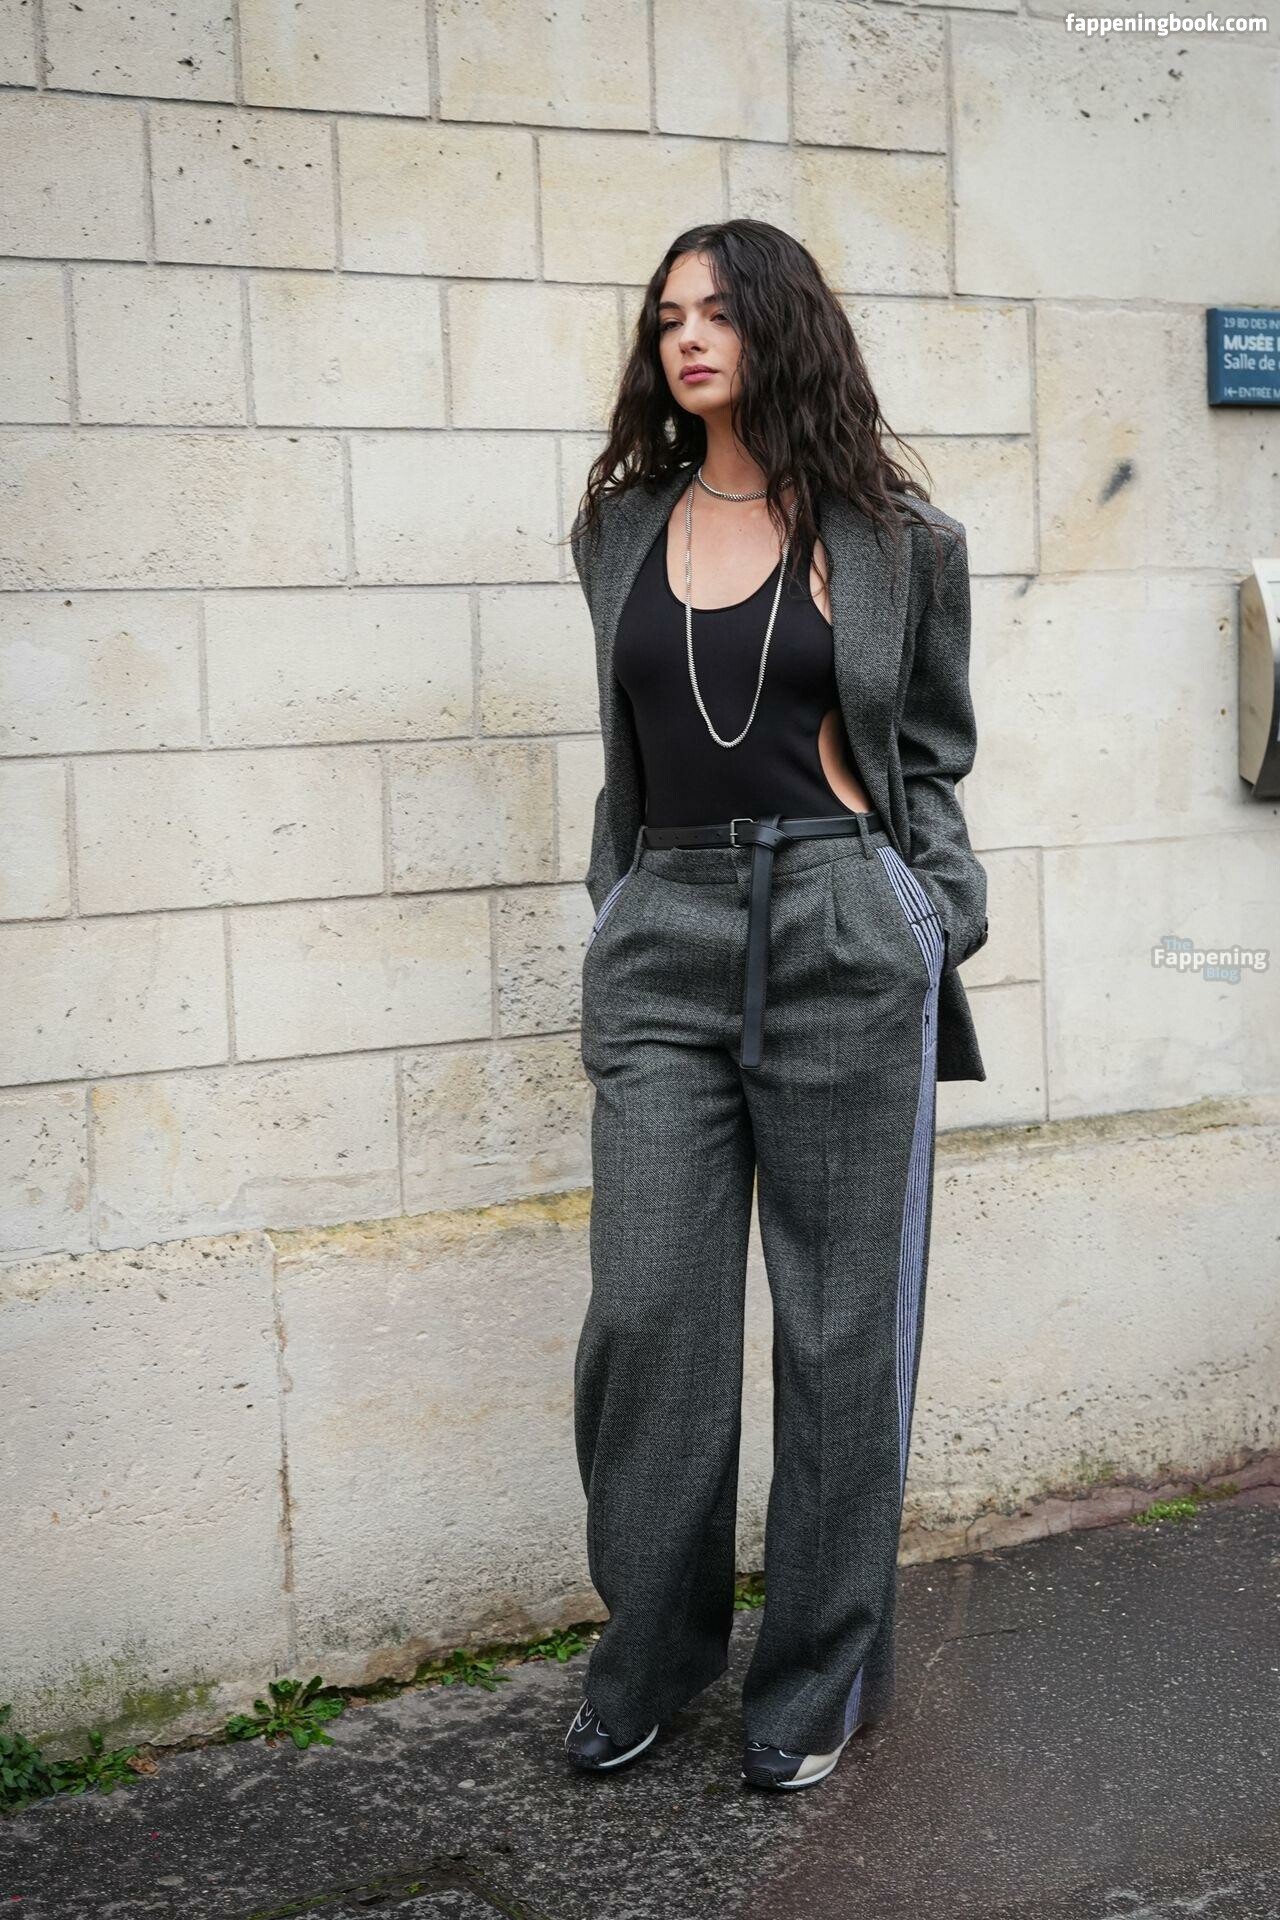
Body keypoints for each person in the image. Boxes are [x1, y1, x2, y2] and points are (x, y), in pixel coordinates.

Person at [563, 218, 989, 1792]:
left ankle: (814, 1678)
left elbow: (930, 755)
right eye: (666, 316)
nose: (686, 337)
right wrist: (622, 907)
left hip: (839, 923)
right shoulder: (622, 527)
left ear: (782, 330)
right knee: (649, 1316)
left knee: (838, 1329)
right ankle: (652, 1654)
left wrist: (930, 916)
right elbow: (627, 743)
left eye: (719, 313)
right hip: (668, 922)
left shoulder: (899, 539)